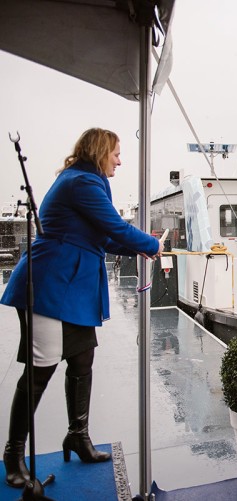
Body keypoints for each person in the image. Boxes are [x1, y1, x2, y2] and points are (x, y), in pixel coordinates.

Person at [1, 128, 163, 488]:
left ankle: (78, 435)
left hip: (71, 288)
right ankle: (13, 455)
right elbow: (114, 226)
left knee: (82, 359)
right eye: (117, 153)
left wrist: (139, 249)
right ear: (101, 151)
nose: (120, 160)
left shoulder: (89, 182)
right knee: (39, 371)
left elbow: (102, 238)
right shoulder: (82, 183)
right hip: (49, 285)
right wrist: (151, 243)